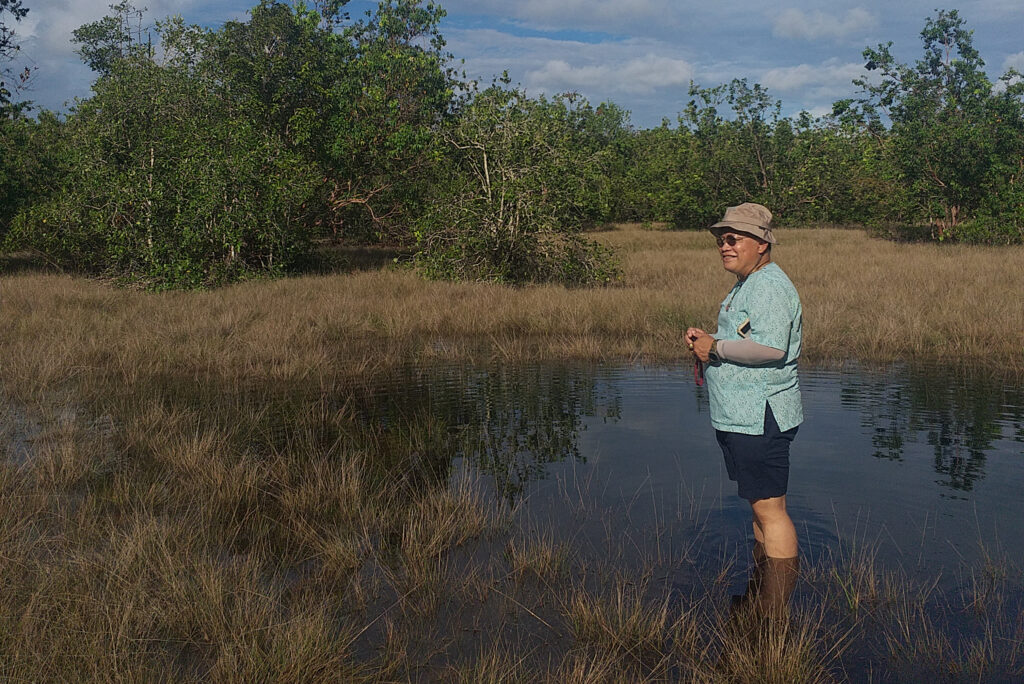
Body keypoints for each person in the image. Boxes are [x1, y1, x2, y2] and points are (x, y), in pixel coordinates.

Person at [685, 202, 803, 617]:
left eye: (735, 237)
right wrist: (711, 338)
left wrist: (714, 347)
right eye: (722, 237)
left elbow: (772, 349)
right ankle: (763, 588)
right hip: (744, 416)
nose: (725, 244)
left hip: (760, 416)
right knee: (761, 505)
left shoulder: (768, 284)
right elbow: (749, 338)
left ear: (762, 243)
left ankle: (772, 616)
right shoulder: (747, 284)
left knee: (770, 511)